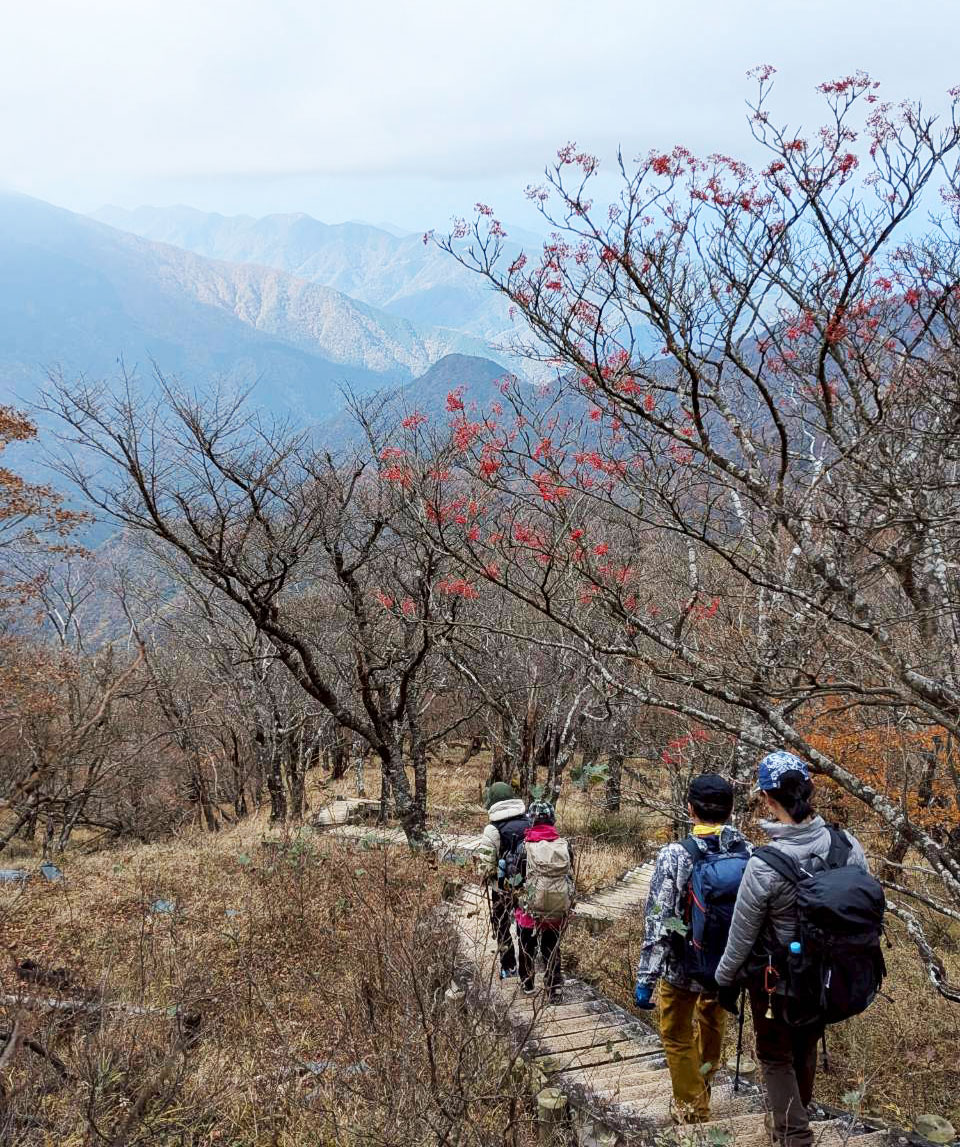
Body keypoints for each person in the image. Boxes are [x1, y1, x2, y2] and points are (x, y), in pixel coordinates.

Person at [714, 751, 870, 1147]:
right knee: (805, 1044)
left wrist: (723, 980)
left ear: (767, 799)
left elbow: (742, 933)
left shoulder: (764, 864)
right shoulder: (847, 844)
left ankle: (793, 1134)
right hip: (830, 976)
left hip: (778, 981)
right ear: (808, 789)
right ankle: (794, 1119)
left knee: (775, 1055)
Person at [633, 774, 751, 1123]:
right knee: (713, 1023)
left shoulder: (676, 855)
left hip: (682, 966)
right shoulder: (746, 851)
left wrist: (646, 976)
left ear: (690, 809)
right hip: (728, 964)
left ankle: (693, 1109)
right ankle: (704, 1085)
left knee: (675, 1033)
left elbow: (659, 917)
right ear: (730, 811)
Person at [513, 800, 575, 1004]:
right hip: (557, 906)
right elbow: (570, 875)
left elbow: (517, 877)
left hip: (531, 908)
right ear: (552, 819)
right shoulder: (564, 846)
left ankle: (528, 983)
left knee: (526, 945)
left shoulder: (524, 847)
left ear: (530, 820)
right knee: (551, 946)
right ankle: (554, 987)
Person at [475, 781, 530, 979]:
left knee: (501, 923)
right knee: (526, 925)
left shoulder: (492, 829)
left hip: (501, 888)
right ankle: (528, 968)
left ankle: (509, 966)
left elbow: (486, 866)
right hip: (528, 886)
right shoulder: (529, 821)